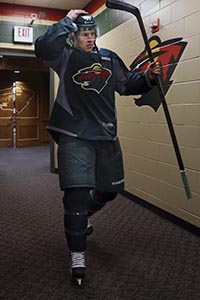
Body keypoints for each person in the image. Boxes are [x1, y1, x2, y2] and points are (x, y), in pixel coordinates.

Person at [35, 9, 160, 286]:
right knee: (77, 194)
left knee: (110, 189)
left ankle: (86, 214)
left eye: (92, 34)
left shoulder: (109, 58)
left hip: (106, 135)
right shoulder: (64, 56)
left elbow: (127, 85)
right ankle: (77, 253)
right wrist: (67, 19)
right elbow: (42, 46)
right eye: (83, 34)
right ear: (74, 35)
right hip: (74, 134)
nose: (89, 38)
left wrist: (148, 77)